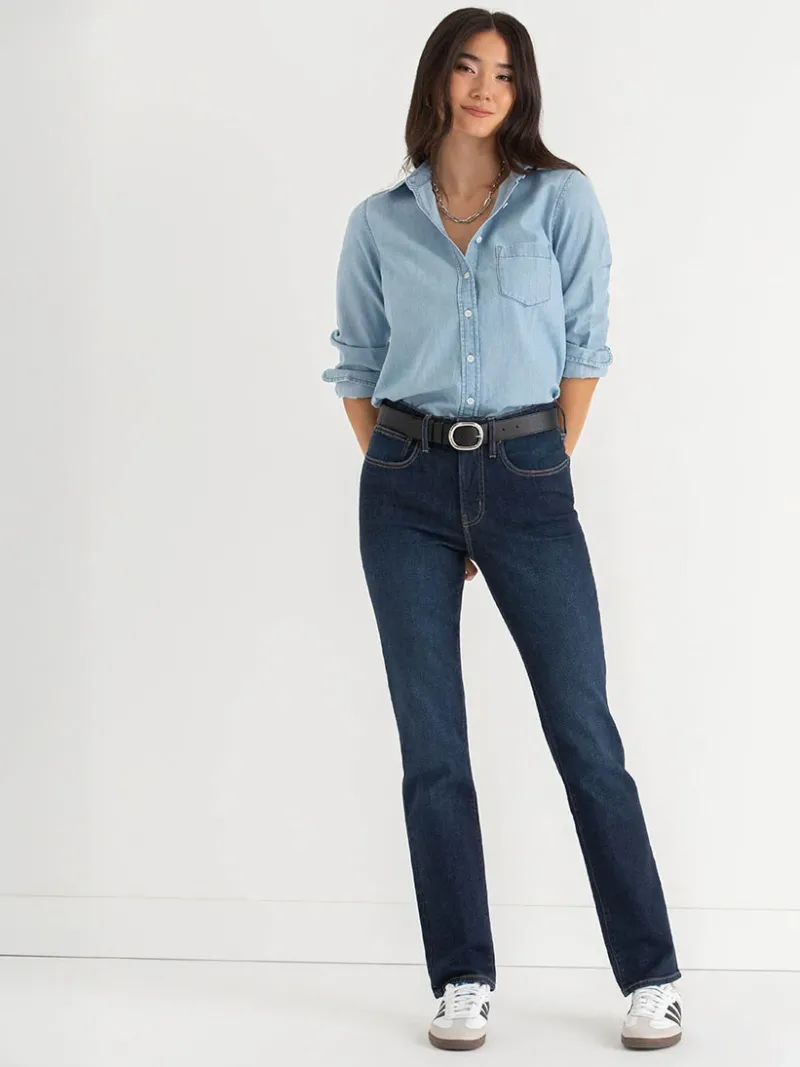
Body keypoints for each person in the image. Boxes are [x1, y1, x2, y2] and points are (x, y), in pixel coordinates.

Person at [321, 7, 683, 1053]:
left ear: (523, 92)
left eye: (506, 73)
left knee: (584, 733)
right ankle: (462, 976)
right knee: (432, 747)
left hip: (528, 472)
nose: (486, 88)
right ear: (437, 79)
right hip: (403, 484)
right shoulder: (377, 221)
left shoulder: (560, 200)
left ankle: (650, 974)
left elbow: (584, 346)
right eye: (468, 67)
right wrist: (413, 479)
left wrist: (530, 473)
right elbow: (356, 364)